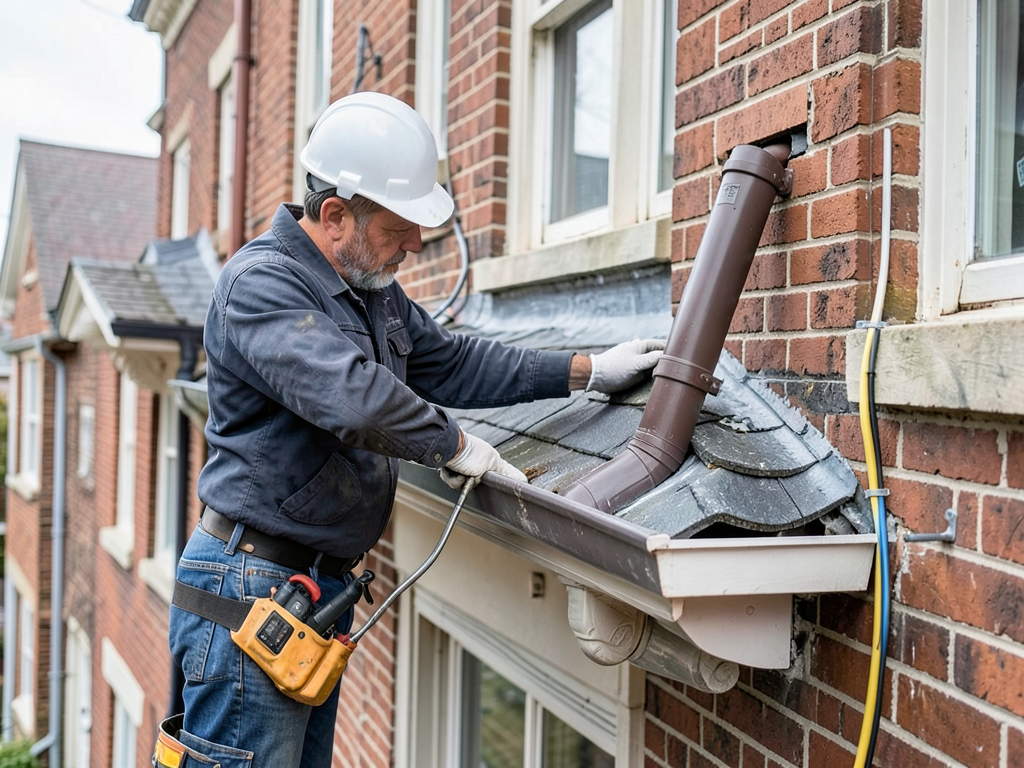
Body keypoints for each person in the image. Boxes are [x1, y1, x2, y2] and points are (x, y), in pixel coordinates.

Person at [164, 92, 664, 768]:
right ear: (336, 215)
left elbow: (454, 361)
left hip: (304, 591)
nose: (417, 244)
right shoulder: (261, 287)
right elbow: (357, 400)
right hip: (251, 586)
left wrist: (588, 370)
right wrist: (458, 447)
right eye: (401, 227)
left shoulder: (368, 289)